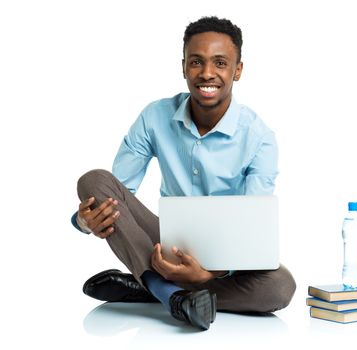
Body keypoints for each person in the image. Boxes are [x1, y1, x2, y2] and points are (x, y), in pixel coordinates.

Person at [72, 16, 296, 331]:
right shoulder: (154, 116)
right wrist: (84, 220)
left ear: (238, 70)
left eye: (220, 63)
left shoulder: (259, 138)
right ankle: (173, 296)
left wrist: (210, 275)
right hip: (165, 242)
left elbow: (252, 230)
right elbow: (118, 193)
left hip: (228, 259)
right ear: (183, 67)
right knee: (93, 181)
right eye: (196, 62)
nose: (207, 74)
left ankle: (154, 288)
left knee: (280, 286)